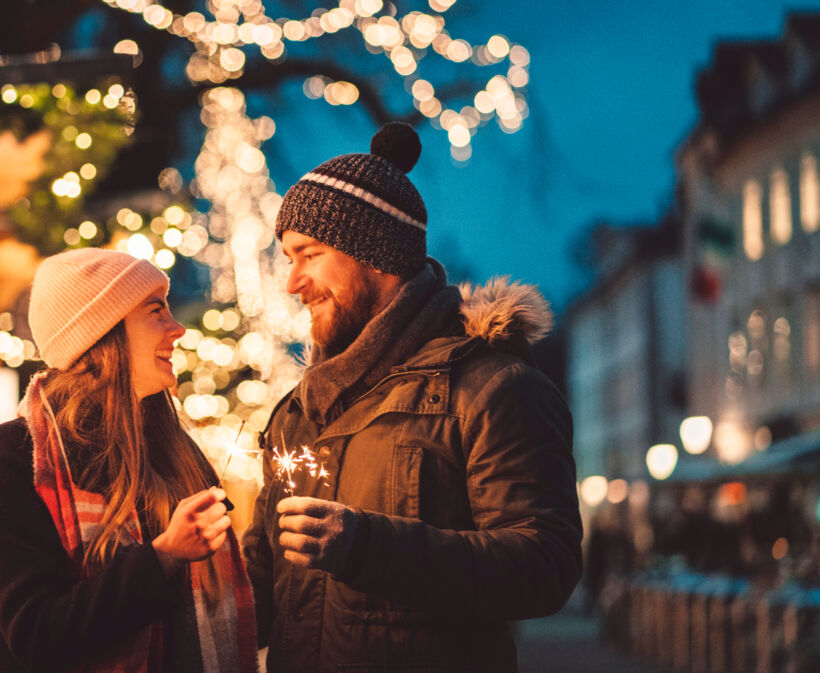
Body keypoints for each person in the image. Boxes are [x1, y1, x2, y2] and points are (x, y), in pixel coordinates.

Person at [241, 123, 582, 673]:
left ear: (375, 253)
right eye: (288, 258)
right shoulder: (299, 414)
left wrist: (368, 547)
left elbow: (545, 566)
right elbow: (258, 586)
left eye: (310, 254)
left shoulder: (492, 389)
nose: (292, 282)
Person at [0, 248, 257, 673]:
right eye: (156, 311)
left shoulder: (173, 450)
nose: (177, 329)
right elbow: (36, 635)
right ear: (101, 333)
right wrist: (163, 556)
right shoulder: (13, 456)